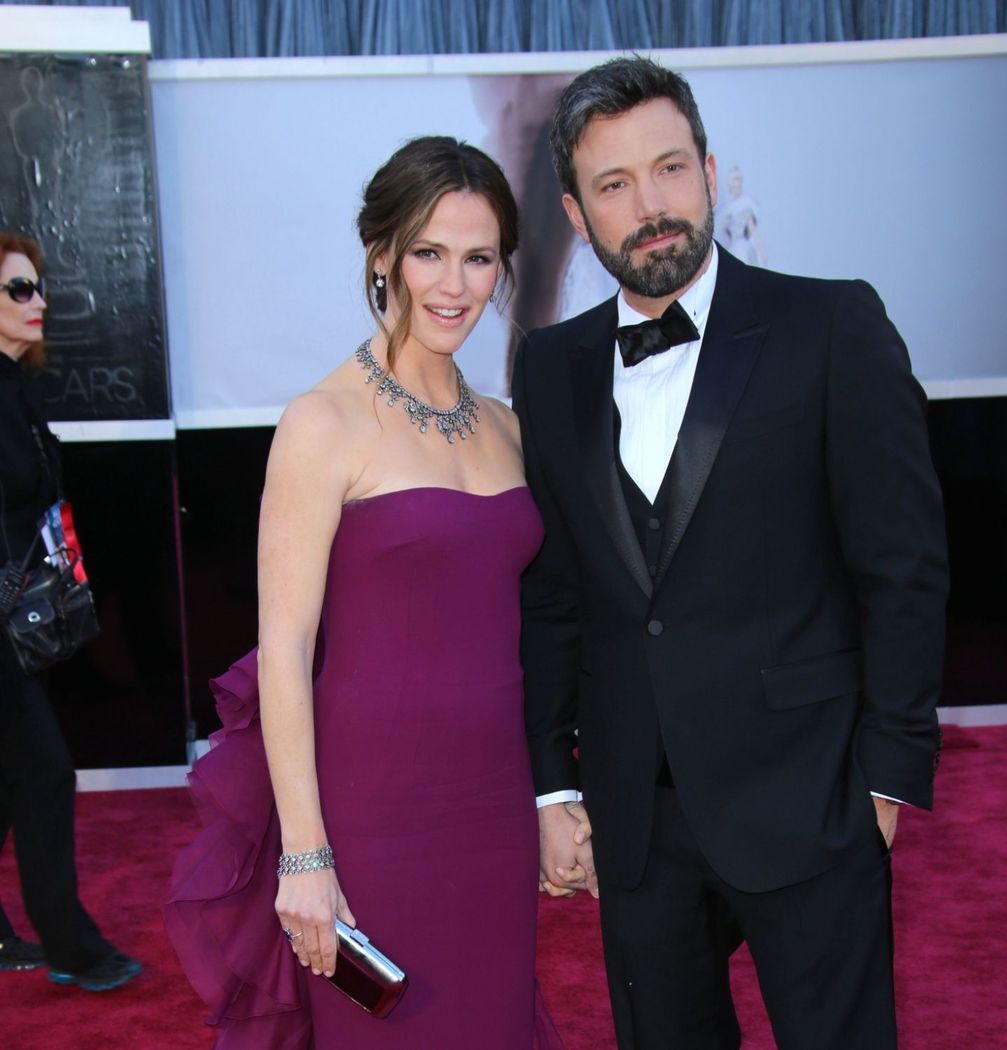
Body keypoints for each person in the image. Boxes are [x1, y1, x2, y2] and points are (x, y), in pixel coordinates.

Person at [513, 58, 948, 1049]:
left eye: (670, 168)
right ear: (577, 215)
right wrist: (553, 781)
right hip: (636, 812)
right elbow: (554, 595)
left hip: (810, 790)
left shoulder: (830, 325)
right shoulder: (549, 366)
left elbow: (904, 566)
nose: (651, 205)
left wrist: (887, 775)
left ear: (709, 172)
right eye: (615, 184)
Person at [166, 137, 566, 1049]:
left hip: (494, 803)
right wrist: (305, 853)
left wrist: (553, 798)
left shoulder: (508, 428)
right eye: (428, 252)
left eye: (478, 258)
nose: (454, 286)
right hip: (375, 811)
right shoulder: (323, 423)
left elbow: (536, 630)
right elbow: (284, 651)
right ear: (382, 255)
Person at [0, 231, 142, 991]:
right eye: (18, 289)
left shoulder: (18, 388)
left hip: (22, 618)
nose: (39, 302)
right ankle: (72, 947)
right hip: (3, 621)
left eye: (38, 287)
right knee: (45, 771)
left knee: (11, 776)